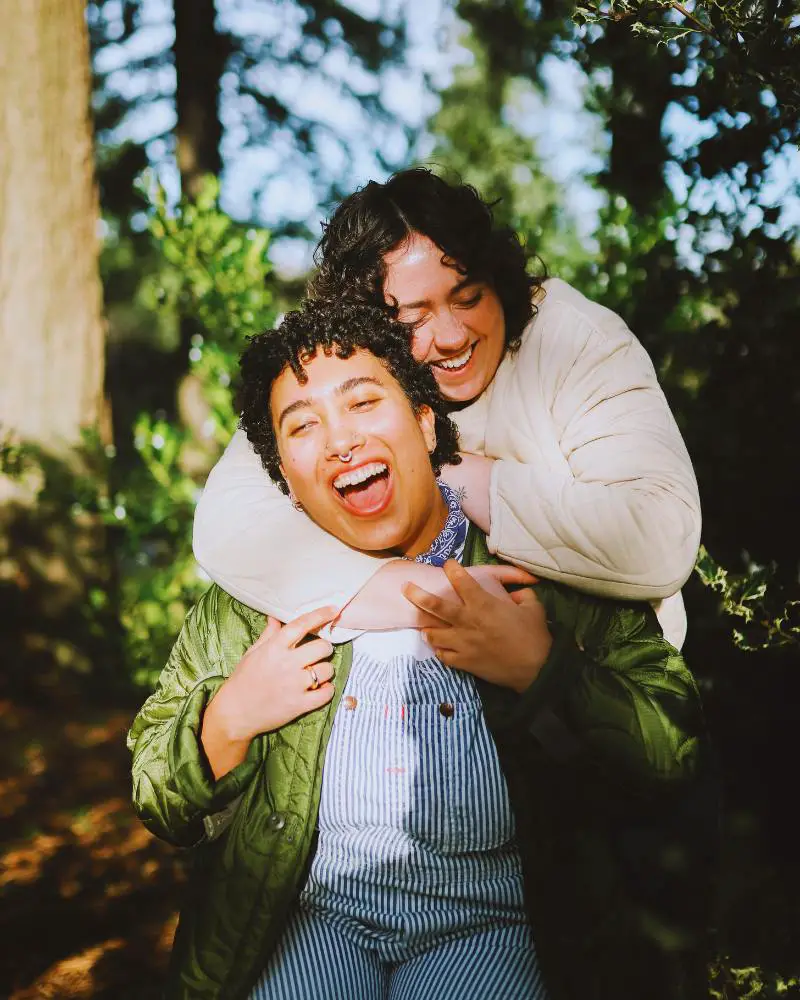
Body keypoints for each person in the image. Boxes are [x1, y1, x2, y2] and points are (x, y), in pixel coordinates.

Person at [129, 302, 715, 1000]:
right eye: (303, 425)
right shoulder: (258, 594)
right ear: (285, 474)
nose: (340, 441)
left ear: (425, 422)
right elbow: (156, 794)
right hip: (315, 915)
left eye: (364, 403)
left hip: (491, 920)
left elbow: (673, 752)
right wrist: (227, 718)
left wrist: (544, 669)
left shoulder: (541, 570)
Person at [192, 168, 701, 653]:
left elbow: (660, 541)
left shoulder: (575, 341)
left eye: (469, 296)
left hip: (599, 688)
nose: (453, 336)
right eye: (415, 318)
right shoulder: (334, 375)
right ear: (368, 332)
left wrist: (444, 465)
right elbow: (227, 527)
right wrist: (426, 597)